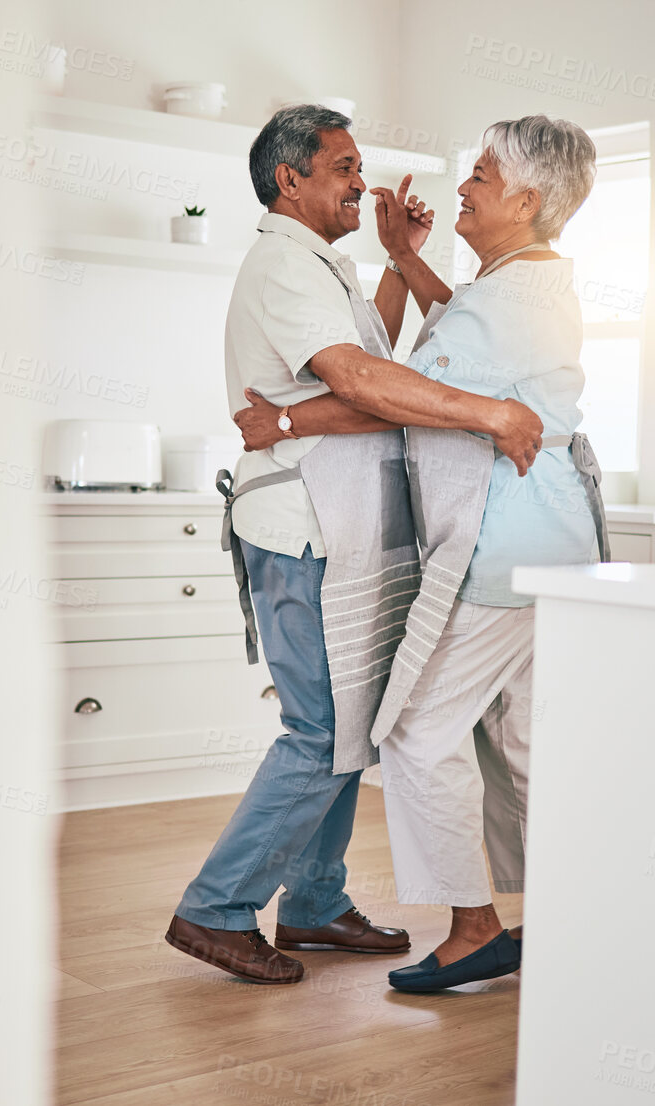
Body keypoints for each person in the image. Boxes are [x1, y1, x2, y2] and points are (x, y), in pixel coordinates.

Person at [164, 105, 546, 986]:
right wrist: (486, 411)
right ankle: (213, 909)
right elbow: (368, 382)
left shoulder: (318, 264)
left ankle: (312, 903)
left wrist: (395, 263)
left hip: (343, 529)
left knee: (350, 730)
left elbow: (367, 357)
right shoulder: (283, 266)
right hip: (303, 530)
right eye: (342, 166)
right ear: (288, 179)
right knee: (320, 731)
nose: (360, 180)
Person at [235, 115, 608, 992]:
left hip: (500, 541)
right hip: (543, 543)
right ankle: (581, 909)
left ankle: (473, 928)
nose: (464, 186)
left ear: (524, 198)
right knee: (516, 743)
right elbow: (457, 339)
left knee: (412, 729)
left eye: (480, 173)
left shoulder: (510, 297)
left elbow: (398, 390)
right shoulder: (522, 281)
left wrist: (284, 420)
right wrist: (405, 259)